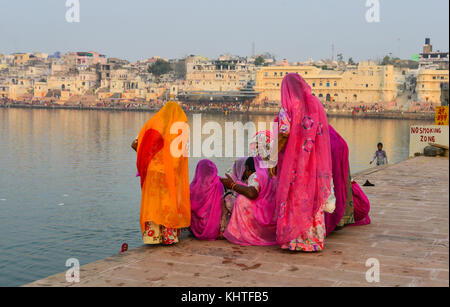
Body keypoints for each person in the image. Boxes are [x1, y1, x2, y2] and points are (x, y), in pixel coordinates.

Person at [272, 73, 333, 252]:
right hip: (312, 161)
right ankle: (313, 240)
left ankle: (293, 239)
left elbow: (283, 132)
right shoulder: (316, 105)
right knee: (310, 193)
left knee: (292, 196)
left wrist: (272, 157)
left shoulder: (289, 107)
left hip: (292, 163)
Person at [133, 101, 190, 245]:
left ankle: (153, 236)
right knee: (168, 203)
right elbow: (179, 156)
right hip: (170, 174)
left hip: (153, 173)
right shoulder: (180, 129)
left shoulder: (156, 126)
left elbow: (140, 146)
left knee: (153, 203)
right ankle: (169, 236)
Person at [220, 157, 277, 246]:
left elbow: (252, 193)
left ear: (247, 169)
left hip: (263, 214)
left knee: (241, 200)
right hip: (271, 213)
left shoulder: (255, 175)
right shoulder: (267, 175)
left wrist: (232, 185)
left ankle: (243, 234)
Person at [325, 125, 355, 236]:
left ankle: (333, 219)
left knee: (331, 184)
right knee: (339, 182)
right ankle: (340, 218)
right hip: (339, 146)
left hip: (330, 148)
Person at [190, 159, 224, 241]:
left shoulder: (193, 187)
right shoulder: (219, 182)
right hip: (214, 229)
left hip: (196, 229)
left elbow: (191, 206)